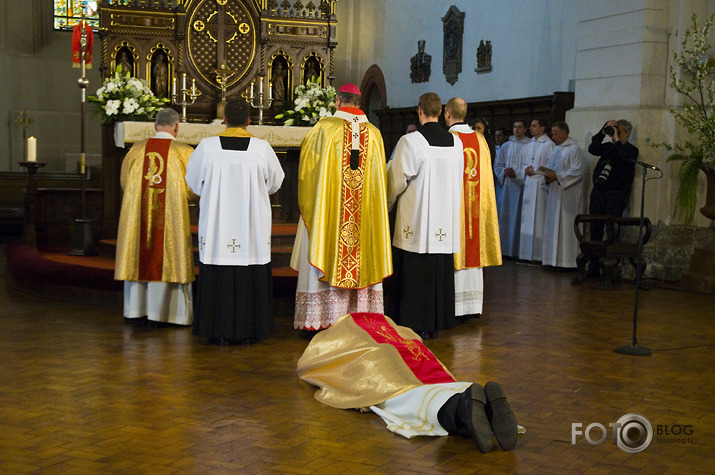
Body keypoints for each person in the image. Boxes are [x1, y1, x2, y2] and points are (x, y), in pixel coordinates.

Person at [297, 312, 519, 452]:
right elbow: (413, 339)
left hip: (385, 371)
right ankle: (484, 406)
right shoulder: (393, 330)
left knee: (405, 400)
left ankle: (463, 408)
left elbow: (312, 367)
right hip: (416, 364)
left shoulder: (337, 339)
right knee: (439, 388)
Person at [291, 83, 392, 333]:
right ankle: (361, 318)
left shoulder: (324, 129)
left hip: (331, 219)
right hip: (364, 219)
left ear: (337, 101)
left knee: (323, 239)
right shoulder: (376, 135)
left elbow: (306, 173)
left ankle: (322, 320)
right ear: (359, 103)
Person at [185, 99, 285, 345]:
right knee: (251, 267)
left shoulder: (207, 147)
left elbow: (193, 182)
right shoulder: (262, 148)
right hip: (251, 227)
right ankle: (252, 329)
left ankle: (215, 328)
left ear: (224, 120)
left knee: (217, 268)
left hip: (217, 225)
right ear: (249, 121)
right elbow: (275, 182)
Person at [386, 92, 463, 339]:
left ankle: (412, 320)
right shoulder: (455, 142)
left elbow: (398, 179)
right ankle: (436, 323)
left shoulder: (411, 142)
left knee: (414, 269)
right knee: (439, 270)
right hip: (444, 219)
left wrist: (386, 203)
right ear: (440, 112)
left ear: (419, 111)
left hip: (417, 217)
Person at [115, 108, 195, 326]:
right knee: (167, 252)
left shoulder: (135, 150)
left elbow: (124, 183)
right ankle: (170, 315)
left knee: (139, 252)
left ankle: (135, 311)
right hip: (168, 219)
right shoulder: (184, 151)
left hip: (140, 216)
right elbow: (193, 189)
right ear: (176, 127)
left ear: (154, 125)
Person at [444, 98, 502, 320]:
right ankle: (472, 306)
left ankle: (456, 307)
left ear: (447, 113)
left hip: (456, 209)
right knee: (473, 245)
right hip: (476, 208)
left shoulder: (449, 139)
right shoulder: (480, 139)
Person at [586, 119, 638, 277]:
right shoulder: (607, 147)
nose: (615, 133)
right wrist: (604, 130)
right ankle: (593, 267)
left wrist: (616, 140)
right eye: (615, 130)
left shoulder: (631, 150)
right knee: (595, 229)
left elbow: (622, 157)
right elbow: (593, 148)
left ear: (627, 133)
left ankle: (609, 270)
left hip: (615, 196)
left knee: (612, 232)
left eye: (619, 131)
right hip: (599, 194)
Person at [540, 121, 587, 269]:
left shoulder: (574, 149)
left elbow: (577, 171)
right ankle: (552, 260)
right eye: (552, 134)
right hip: (555, 193)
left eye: (556, 134)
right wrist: (547, 174)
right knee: (553, 226)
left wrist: (557, 176)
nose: (553, 137)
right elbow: (552, 168)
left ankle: (567, 262)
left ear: (565, 133)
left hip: (568, 195)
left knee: (566, 228)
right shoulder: (557, 150)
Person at [518, 119, 555, 264]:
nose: (531, 128)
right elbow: (523, 164)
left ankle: (538, 256)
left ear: (542, 128)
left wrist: (535, 171)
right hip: (529, 185)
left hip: (540, 186)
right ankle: (525, 254)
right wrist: (525, 170)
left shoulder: (549, 145)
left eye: (534, 126)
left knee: (539, 219)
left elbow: (551, 166)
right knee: (527, 220)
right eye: (531, 125)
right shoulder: (529, 144)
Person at [494, 120, 530, 258]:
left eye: (520, 127)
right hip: (507, 187)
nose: (517, 130)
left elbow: (531, 164)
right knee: (506, 217)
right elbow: (497, 165)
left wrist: (517, 173)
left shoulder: (529, 145)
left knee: (520, 218)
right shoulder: (506, 146)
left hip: (521, 187)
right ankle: (505, 250)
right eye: (515, 127)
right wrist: (504, 171)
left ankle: (517, 251)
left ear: (525, 129)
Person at [492, 127, 510, 214]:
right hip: (496, 181)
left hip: (506, 180)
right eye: (496, 136)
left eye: (499, 135)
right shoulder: (493, 149)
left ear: (505, 137)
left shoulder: (509, 148)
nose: (497, 138)